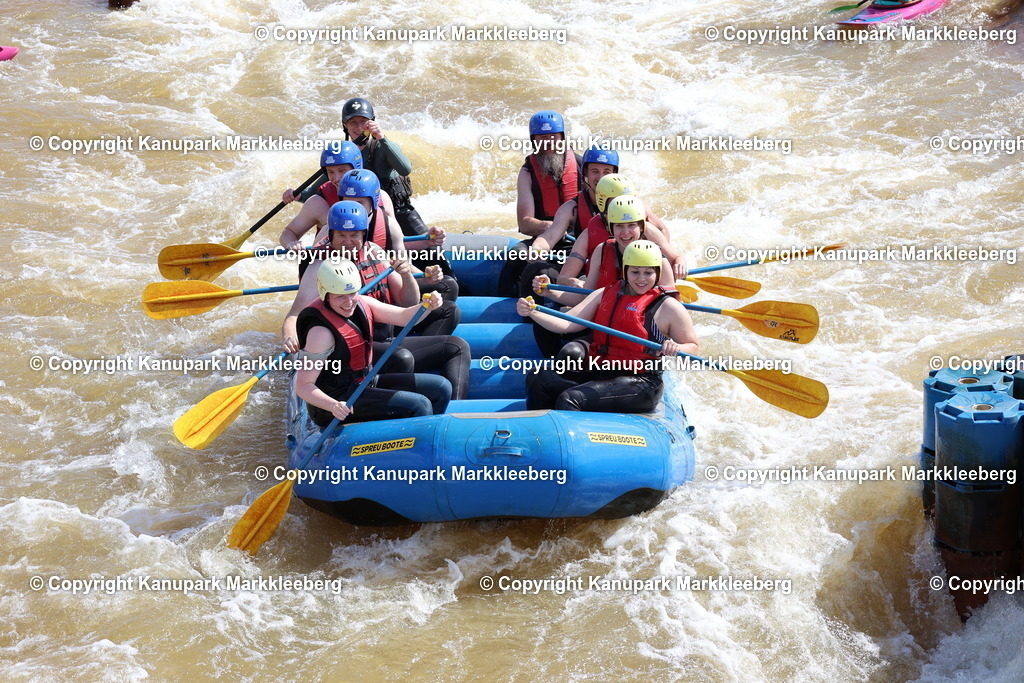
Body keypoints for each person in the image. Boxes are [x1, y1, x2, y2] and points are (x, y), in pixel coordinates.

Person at [283, 201, 468, 398]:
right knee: (401, 358)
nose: (348, 242)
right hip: (350, 348)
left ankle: (454, 408)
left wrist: (406, 276)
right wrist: (289, 336)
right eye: (341, 236)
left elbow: (407, 303)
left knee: (456, 340)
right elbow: (295, 315)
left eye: (354, 235)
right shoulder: (320, 268)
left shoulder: (373, 251)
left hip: (386, 331)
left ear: (363, 234)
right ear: (331, 235)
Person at [517, 240, 699, 413]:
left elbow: (693, 348)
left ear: (657, 273)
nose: (641, 279)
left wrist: (678, 348)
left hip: (641, 382)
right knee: (539, 379)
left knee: (571, 398)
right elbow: (567, 322)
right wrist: (533, 312)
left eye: (648, 273)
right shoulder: (605, 293)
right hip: (602, 370)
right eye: (635, 272)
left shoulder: (668, 307)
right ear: (625, 271)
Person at [295, 260, 452, 428]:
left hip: (364, 382)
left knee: (441, 387)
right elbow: (303, 386)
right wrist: (332, 405)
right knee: (419, 405)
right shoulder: (321, 334)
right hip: (336, 401)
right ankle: (413, 450)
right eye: (340, 296)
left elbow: (404, 317)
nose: (349, 302)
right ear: (325, 293)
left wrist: (427, 306)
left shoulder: (362, 303)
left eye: (352, 293)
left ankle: (428, 436)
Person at [536, 195, 675, 307]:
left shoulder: (658, 259)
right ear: (611, 229)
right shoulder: (601, 251)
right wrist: (550, 291)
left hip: (642, 331)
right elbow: (586, 297)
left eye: (632, 225)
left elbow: (672, 311)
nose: (625, 233)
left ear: (642, 228)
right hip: (607, 322)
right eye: (619, 226)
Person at [516, 111, 584, 237]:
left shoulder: (583, 165)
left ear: (561, 137)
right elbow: (525, 224)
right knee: (517, 252)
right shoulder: (527, 173)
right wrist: (551, 226)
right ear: (534, 140)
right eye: (542, 137)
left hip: (580, 235)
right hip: (546, 235)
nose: (549, 142)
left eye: (553, 136)